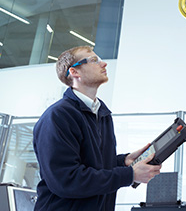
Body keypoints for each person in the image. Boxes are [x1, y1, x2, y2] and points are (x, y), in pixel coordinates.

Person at [33, 46, 161, 210]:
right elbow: (66, 179)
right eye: (94, 60)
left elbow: (92, 165)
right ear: (74, 72)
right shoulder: (58, 116)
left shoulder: (102, 114)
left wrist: (123, 161)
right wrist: (129, 175)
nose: (104, 64)